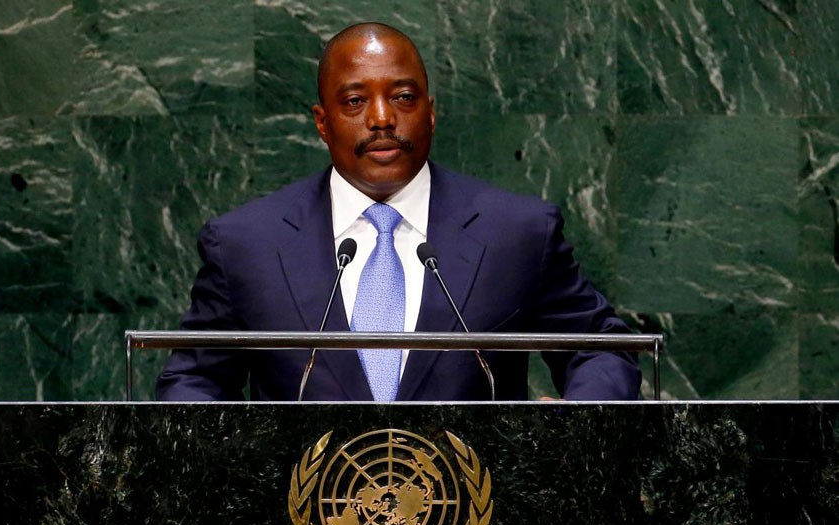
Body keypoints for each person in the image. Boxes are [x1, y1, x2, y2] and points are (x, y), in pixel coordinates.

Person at [155, 22, 641, 401]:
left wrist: (580, 420)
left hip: (475, 518)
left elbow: (603, 349)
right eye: (355, 101)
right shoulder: (245, 244)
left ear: (430, 112)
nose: (383, 118)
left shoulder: (516, 233)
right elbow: (192, 380)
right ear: (322, 123)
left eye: (403, 97)